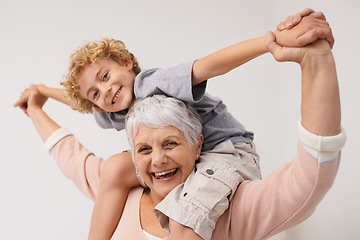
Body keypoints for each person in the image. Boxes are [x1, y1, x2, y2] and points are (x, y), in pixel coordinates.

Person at [14, 9, 335, 240]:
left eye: (106, 76)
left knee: (183, 222)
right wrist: (42, 92)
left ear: (127, 63)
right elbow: (79, 105)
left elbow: (209, 65)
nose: (106, 91)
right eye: (96, 92)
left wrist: (271, 41)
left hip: (227, 152)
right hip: (197, 158)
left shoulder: (151, 83)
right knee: (113, 168)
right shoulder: (113, 106)